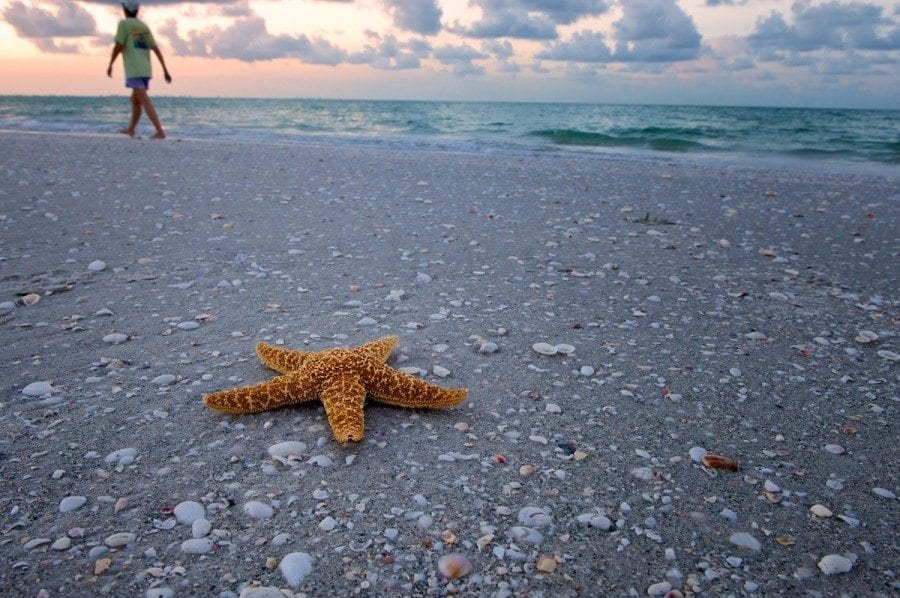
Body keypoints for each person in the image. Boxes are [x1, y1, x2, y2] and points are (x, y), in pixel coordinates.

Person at [106, 1, 172, 139]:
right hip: (145, 69)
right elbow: (156, 49)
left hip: (134, 69)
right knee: (135, 100)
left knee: (144, 100)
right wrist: (165, 69)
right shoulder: (143, 26)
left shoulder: (124, 24)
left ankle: (160, 131)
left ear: (125, 9)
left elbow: (118, 46)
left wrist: (111, 64)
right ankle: (131, 129)